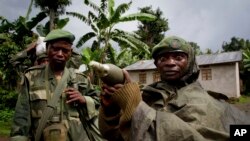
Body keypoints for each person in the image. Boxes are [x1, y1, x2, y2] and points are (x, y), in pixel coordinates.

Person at [99, 36, 250, 141]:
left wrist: (136, 107)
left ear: (190, 62)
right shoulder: (147, 96)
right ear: (157, 64)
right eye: (163, 58)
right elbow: (116, 137)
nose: (170, 63)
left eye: (178, 58)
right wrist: (111, 111)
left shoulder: (211, 104)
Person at [10, 29, 102, 141]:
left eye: (65, 50)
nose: (60, 54)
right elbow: (21, 118)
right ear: (47, 48)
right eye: (55, 49)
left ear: (70, 52)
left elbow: (99, 102)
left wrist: (84, 99)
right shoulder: (31, 77)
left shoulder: (80, 78)